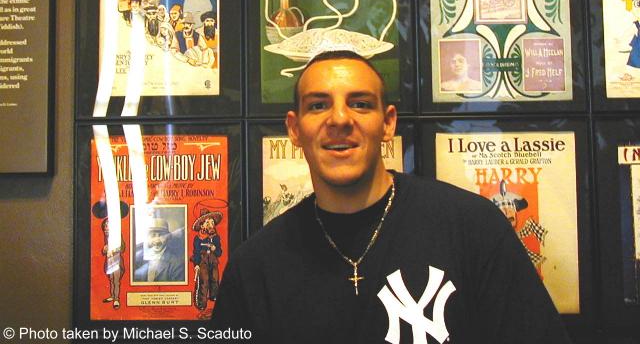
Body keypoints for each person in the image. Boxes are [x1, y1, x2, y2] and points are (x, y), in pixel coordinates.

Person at [211, 50, 571, 343]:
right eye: (318, 105)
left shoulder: (472, 228)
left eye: (360, 104)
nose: (339, 119)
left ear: (388, 123)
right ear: (294, 128)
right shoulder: (255, 267)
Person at [133, 217, 185, 283]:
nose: (157, 240)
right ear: (148, 237)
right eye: (153, 235)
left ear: (167, 238)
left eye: (161, 235)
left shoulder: (176, 264)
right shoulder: (138, 258)